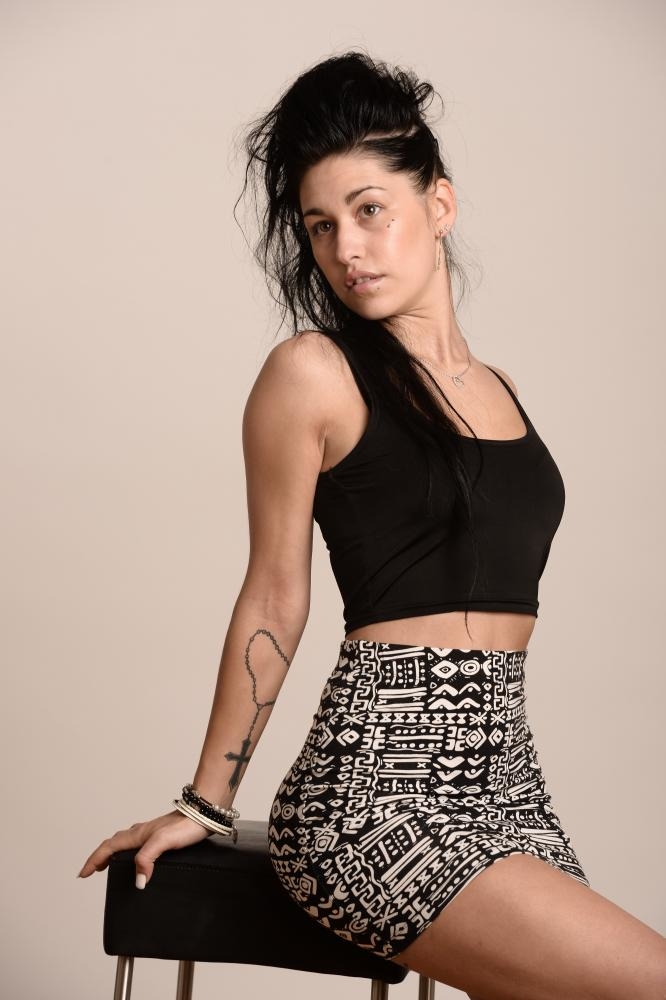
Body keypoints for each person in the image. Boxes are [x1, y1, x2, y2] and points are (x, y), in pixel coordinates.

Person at [78, 50, 666, 999]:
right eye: (321, 226)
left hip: (510, 785)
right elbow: (274, 592)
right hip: (376, 794)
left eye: (369, 210)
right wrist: (206, 802)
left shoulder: (502, 388)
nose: (346, 248)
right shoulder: (314, 373)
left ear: (440, 204)